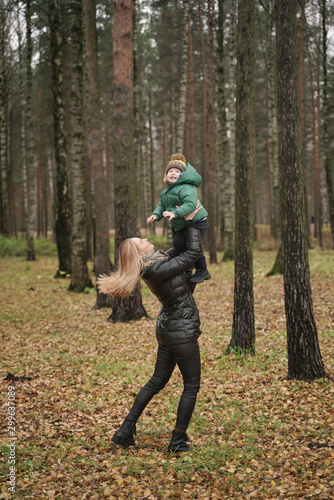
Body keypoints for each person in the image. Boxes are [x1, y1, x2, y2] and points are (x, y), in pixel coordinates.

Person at [97, 206, 203, 453]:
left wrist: (180, 221)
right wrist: (191, 223)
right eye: (141, 241)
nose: (146, 239)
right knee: (191, 385)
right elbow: (193, 252)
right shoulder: (155, 269)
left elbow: (181, 253)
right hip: (180, 330)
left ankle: (125, 431)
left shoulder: (156, 262)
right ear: (138, 253)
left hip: (169, 328)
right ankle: (177, 442)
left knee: (157, 381)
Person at [147, 153, 211, 284]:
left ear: (183, 175)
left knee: (190, 246)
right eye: (170, 171)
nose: (173, 173)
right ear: (166, 175)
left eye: (177, 171)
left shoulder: (187, 187)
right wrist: (156, 215)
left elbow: (190, 204)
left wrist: (175, 213)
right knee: (179, 245)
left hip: (198, 222)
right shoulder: (165, 192)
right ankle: (186, 268)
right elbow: (161, 206)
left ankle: (202, 269)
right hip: (183, 224)